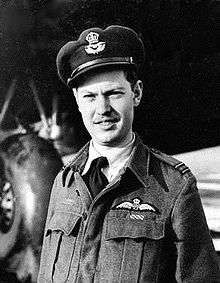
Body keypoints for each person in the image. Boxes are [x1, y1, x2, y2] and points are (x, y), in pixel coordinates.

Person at [38, 25, 220, 282]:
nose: (102, 109)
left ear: (136, 93)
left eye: (113, 93)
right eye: (90, 96)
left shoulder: (174, 187)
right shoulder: (64, 182)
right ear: (78, 101)